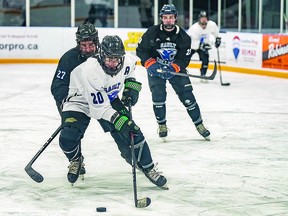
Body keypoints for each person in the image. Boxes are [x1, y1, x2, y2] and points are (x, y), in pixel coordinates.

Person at [58, 35, 168, 189]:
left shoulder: (127, 60)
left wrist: (131, 86)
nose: (113, 63)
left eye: (116, 59)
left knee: (133, 132)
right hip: (80, 100)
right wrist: (119, 120)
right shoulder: (91, 70)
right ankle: (75, 160)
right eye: (109, 59)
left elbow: (130, 72)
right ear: (101, 55)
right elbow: (99, 109)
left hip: (107, 98)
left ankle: (148, 167)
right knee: (67, 137)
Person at [136, 4, 210, 140]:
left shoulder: (184, 37)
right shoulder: (152, 32)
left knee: (188, 97)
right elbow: (141, 50)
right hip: (156, 69)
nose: (168, 20)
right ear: (161, 19)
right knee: (158, 97)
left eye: (171, 17)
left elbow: (184, 57)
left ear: (175, 18)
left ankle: (199, 125)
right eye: (165, 17)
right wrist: (150, 63)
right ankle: (162, 125)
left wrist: (174, 67)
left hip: (175, 71)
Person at [51, 23, 99, 115]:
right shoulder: (69, 58)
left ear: (96, 42)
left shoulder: (105, 56)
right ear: (78, 43)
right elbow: (58, 86)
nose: (88, 49)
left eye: (91, 45)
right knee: (71, 128)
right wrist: (67, 102)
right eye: (84, 45)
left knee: (117, 125)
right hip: (76, 101)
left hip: (99, 98)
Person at [187, 11, 221, 78]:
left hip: (203, 46)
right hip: (192, 46)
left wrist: (217, 39)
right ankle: (180, 71)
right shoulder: (194, 28)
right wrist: (200, 44)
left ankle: (203, 74)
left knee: (205, 60)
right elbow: (190, 39)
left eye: (205, 18)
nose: (204, 19)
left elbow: (216, 33)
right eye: (202, 18)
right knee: (185, 59)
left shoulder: (211, 25)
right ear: (199, 19)